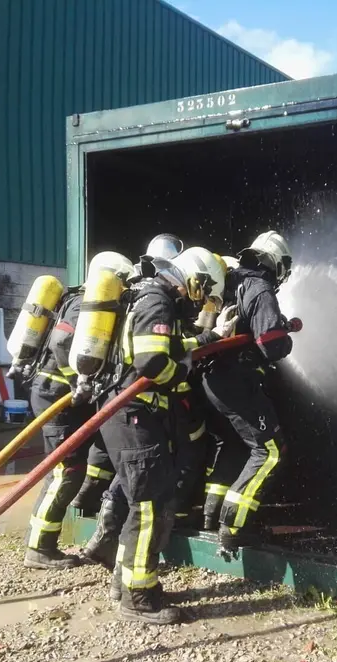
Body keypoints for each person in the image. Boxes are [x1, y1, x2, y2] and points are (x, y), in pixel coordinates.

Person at [91, 246, 236, 624]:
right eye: (203, 292)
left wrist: (210, 337)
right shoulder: (158, 301)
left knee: (143, 502)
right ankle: (139, 598)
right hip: (133, 415)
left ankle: (127, 586)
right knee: (151, 504)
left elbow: (169, 347)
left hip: (128, 414)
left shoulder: (147, 296)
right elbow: (154, 362)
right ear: (195, 281)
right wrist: (181, 374)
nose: (200, 301)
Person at [23, 251, 134, 570]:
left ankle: (51, 534)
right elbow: (61, 343)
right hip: (57, 394)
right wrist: (77, 381)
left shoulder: (84, 302)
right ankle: (39, 547)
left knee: (75, 464)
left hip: (59, 392)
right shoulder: (82, 303)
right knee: (67, 470)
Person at [200, 231, 295, 552]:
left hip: (211, 381)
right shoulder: (260, 287)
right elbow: (271, 344)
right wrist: (284, 336)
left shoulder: (231, 279)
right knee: (271, 452)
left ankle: (210, 514)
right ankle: (233, 528)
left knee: (233, 444)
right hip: (236, 383)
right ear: (277, 264)